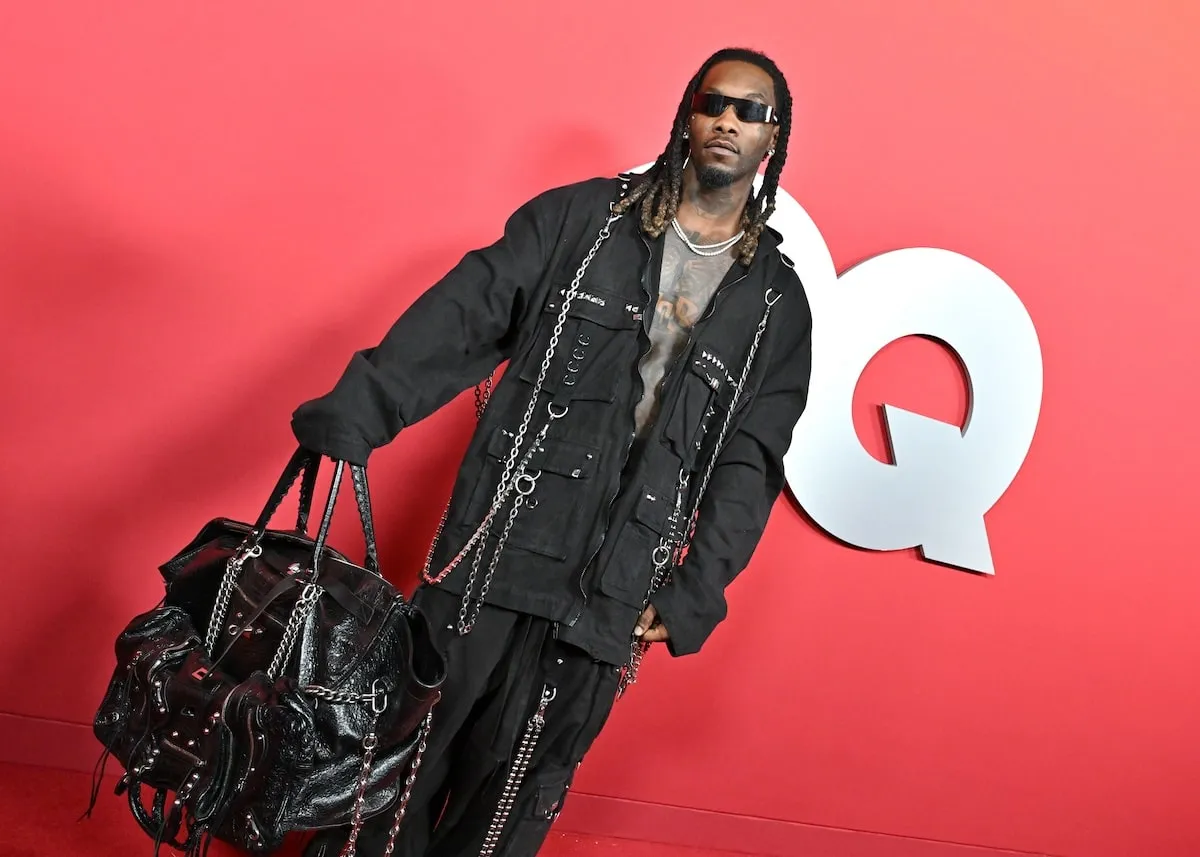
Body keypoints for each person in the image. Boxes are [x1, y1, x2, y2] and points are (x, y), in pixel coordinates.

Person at [295, 47, 812, 857]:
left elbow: (750, 462)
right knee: (399, 765)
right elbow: (468, 310)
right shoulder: (579, 221)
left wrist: (691, 595)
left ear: (772, 141)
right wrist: (357, 412)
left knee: (512, 804)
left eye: (752, 112)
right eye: (714, 103)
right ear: (687, 113)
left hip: (611, 595)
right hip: (497, 551)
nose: (728, 121)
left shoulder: (777, 307)